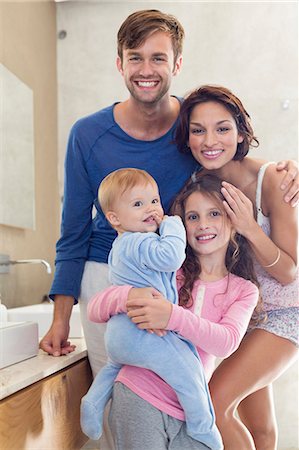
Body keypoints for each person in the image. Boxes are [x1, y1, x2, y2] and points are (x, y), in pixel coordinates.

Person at [39, 8, 298, 446]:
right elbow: (73, 231)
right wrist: (60, 317)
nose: (206, 139)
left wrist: (285, 172)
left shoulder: (222, 152)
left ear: (177, 64)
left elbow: (287, 263)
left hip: (240, 300)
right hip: (166, 289)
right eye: (135, 57)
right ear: (119, 63)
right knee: (224, 416)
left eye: (158, 58)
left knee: (206, 402)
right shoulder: (99, 137)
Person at [88, 172, 261, 450]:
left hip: (189, 409)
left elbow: (225, 342)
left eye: (214, 213)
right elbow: (96, 308)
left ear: (232, 220)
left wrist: (172, 316)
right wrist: (130, 295)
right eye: (193, 217)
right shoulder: (167, 270)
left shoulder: (244, 290)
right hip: (138, 393)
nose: (203, 224)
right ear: (181, 225)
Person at [172, 84, 298, 449]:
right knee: (260, 429)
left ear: (241, 132)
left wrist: (248, 227)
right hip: (240, 313)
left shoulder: (273, 179)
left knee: (213, 401)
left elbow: (289, 271)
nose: (210, 140)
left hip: (285, 313)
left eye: (222, 128)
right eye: (198, 130)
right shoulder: (200, 185)